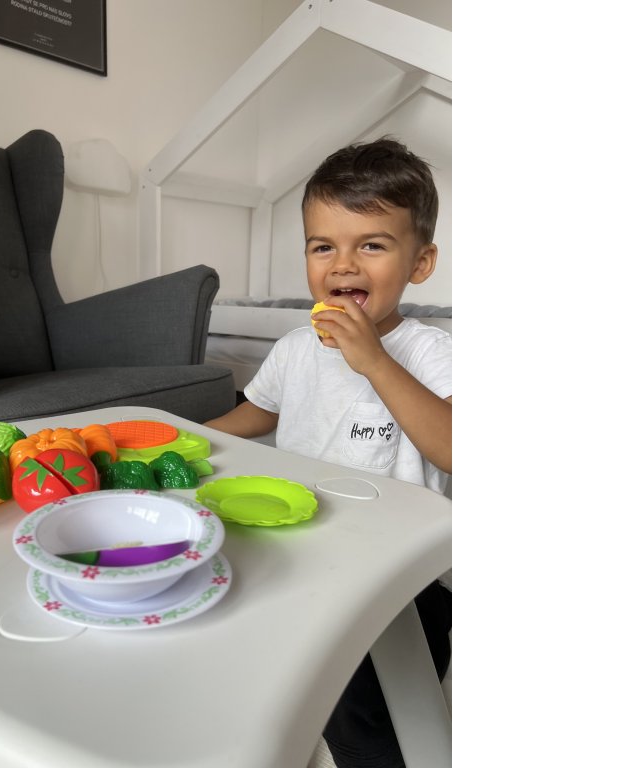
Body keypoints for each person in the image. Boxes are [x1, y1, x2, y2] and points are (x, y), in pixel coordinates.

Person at [204, 137, 451, 768]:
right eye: (323, 247)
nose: (343, 265)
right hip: (306, 551)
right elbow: (261, 412)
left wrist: (374, 362)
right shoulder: (295, 347)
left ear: (420, 263)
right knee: (306, 686)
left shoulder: (430, 352)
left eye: (371, 245)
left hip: (403, 579)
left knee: (377, 719)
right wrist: (198, 438)